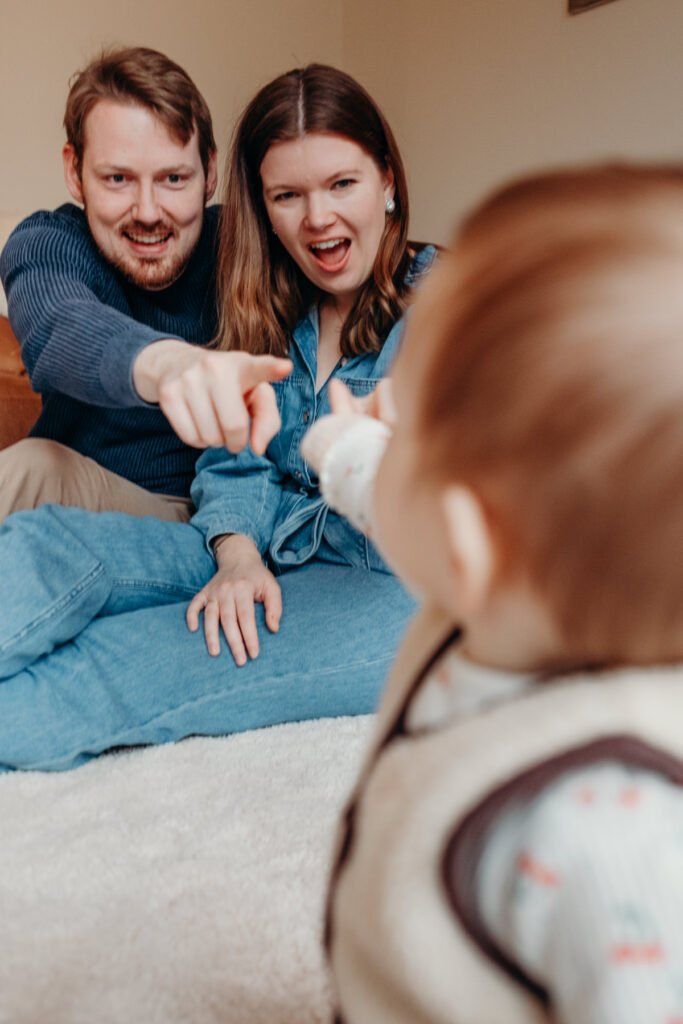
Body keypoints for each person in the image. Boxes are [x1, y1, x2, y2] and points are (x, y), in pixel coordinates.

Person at [306, 166, 683, 1024]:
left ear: (466, 543)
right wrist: (337, 439)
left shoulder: (614, 841)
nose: (383, 404)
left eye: (406, 414)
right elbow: (384, 489)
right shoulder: (497, 577)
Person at [0, 64, 436, 773]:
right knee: (44, 547)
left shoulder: (445, 305)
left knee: (108, 668)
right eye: (286, 195)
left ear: (387, 180)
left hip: (383, 588)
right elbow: (238, 458)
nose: (316, 217)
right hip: (248, 545)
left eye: (341, 184)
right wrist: (236, 554)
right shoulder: (273, 303)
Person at [0, 46, 290, 523]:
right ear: (74, 171)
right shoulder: (47, 243)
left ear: (210, 172)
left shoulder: (249, 246)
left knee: (34, 470)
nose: (149, 211)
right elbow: (59, 323)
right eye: (118, 179)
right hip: (73, 502)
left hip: (211, 516)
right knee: (37, 467)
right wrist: (169, 364)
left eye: (173, 178)